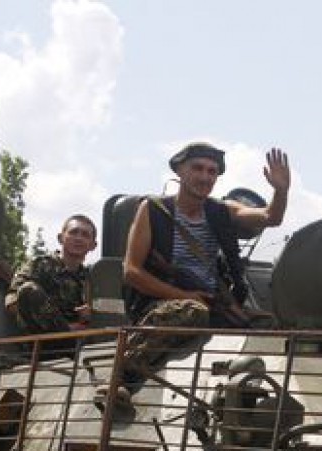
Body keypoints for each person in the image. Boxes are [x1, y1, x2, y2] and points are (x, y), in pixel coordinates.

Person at [103, 142, 290, 404]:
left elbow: (271, 217)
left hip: (211, 303)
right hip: (161, 303)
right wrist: (183, 295)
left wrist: (281, 190)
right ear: (179, 171)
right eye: (197, 168)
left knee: (267, 326)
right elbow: (132, 271)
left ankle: (245, 395)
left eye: (212, 172)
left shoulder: (220, 211)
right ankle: (120, 379)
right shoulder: (153, 210)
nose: (205, 177)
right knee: (192, 311)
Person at [5, 214, 97, 336]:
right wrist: (56, 321)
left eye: (85, 235)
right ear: (60, 238)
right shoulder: (40, 265)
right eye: (73, 232)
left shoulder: (92, 278)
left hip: (80, 340)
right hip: (41, 340)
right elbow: (11, 301)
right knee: (29, 289)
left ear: (93, 245)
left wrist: (92, 314)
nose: (78, 238)